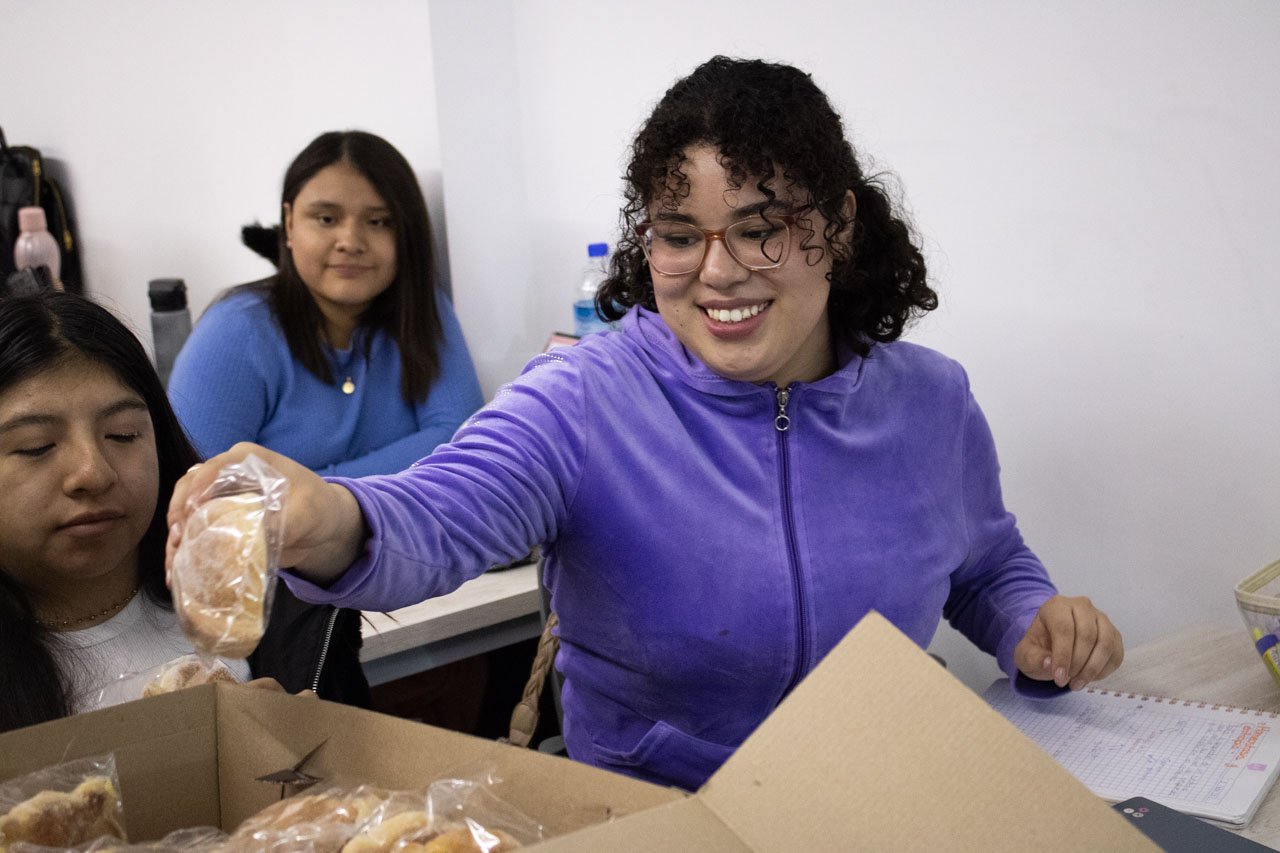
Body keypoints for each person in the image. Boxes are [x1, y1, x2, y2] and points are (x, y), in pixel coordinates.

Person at [169, 57, 1123, 791]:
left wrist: (1030, 623)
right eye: (678, 233)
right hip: (656, 818)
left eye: (761, 227)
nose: (717, 270)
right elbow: (439, 513)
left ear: (836, 223)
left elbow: (984, 560)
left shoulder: (931, 401)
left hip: (866, 804)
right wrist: (325, 511)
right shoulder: (588, 398)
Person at [0, 290, 367, 734]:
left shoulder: (266, 605)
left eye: (122, 435)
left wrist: (294, 750)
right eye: (36, 446)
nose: (93, 473)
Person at [167, 130, 484, 476]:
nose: (350, 241)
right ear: (289, 223)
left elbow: (464, 442)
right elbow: (208, 488)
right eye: (326, 219)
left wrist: (312, 491)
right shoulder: (235, 331)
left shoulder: (423, 308)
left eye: (378, 222)